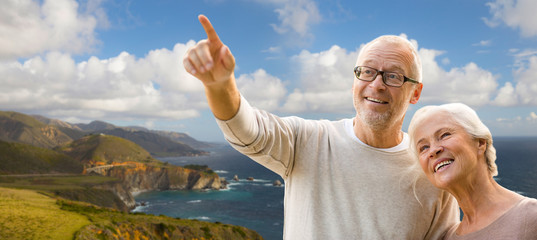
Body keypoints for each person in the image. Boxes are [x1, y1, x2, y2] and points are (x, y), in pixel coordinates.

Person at [183, 14, 459, 239]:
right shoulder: (308, 140)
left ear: (416, 93)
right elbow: (247, 129)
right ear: (355, 79)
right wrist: (219, 85)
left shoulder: (434, 173)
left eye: (394, 76)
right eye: (367, 71)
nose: (376, 84)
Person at [408, 103, 537, 240]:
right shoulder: (447, 237)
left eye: (445, 135)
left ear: (480, 143)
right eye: (424, 148)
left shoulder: (531, 216)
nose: (433, 150)